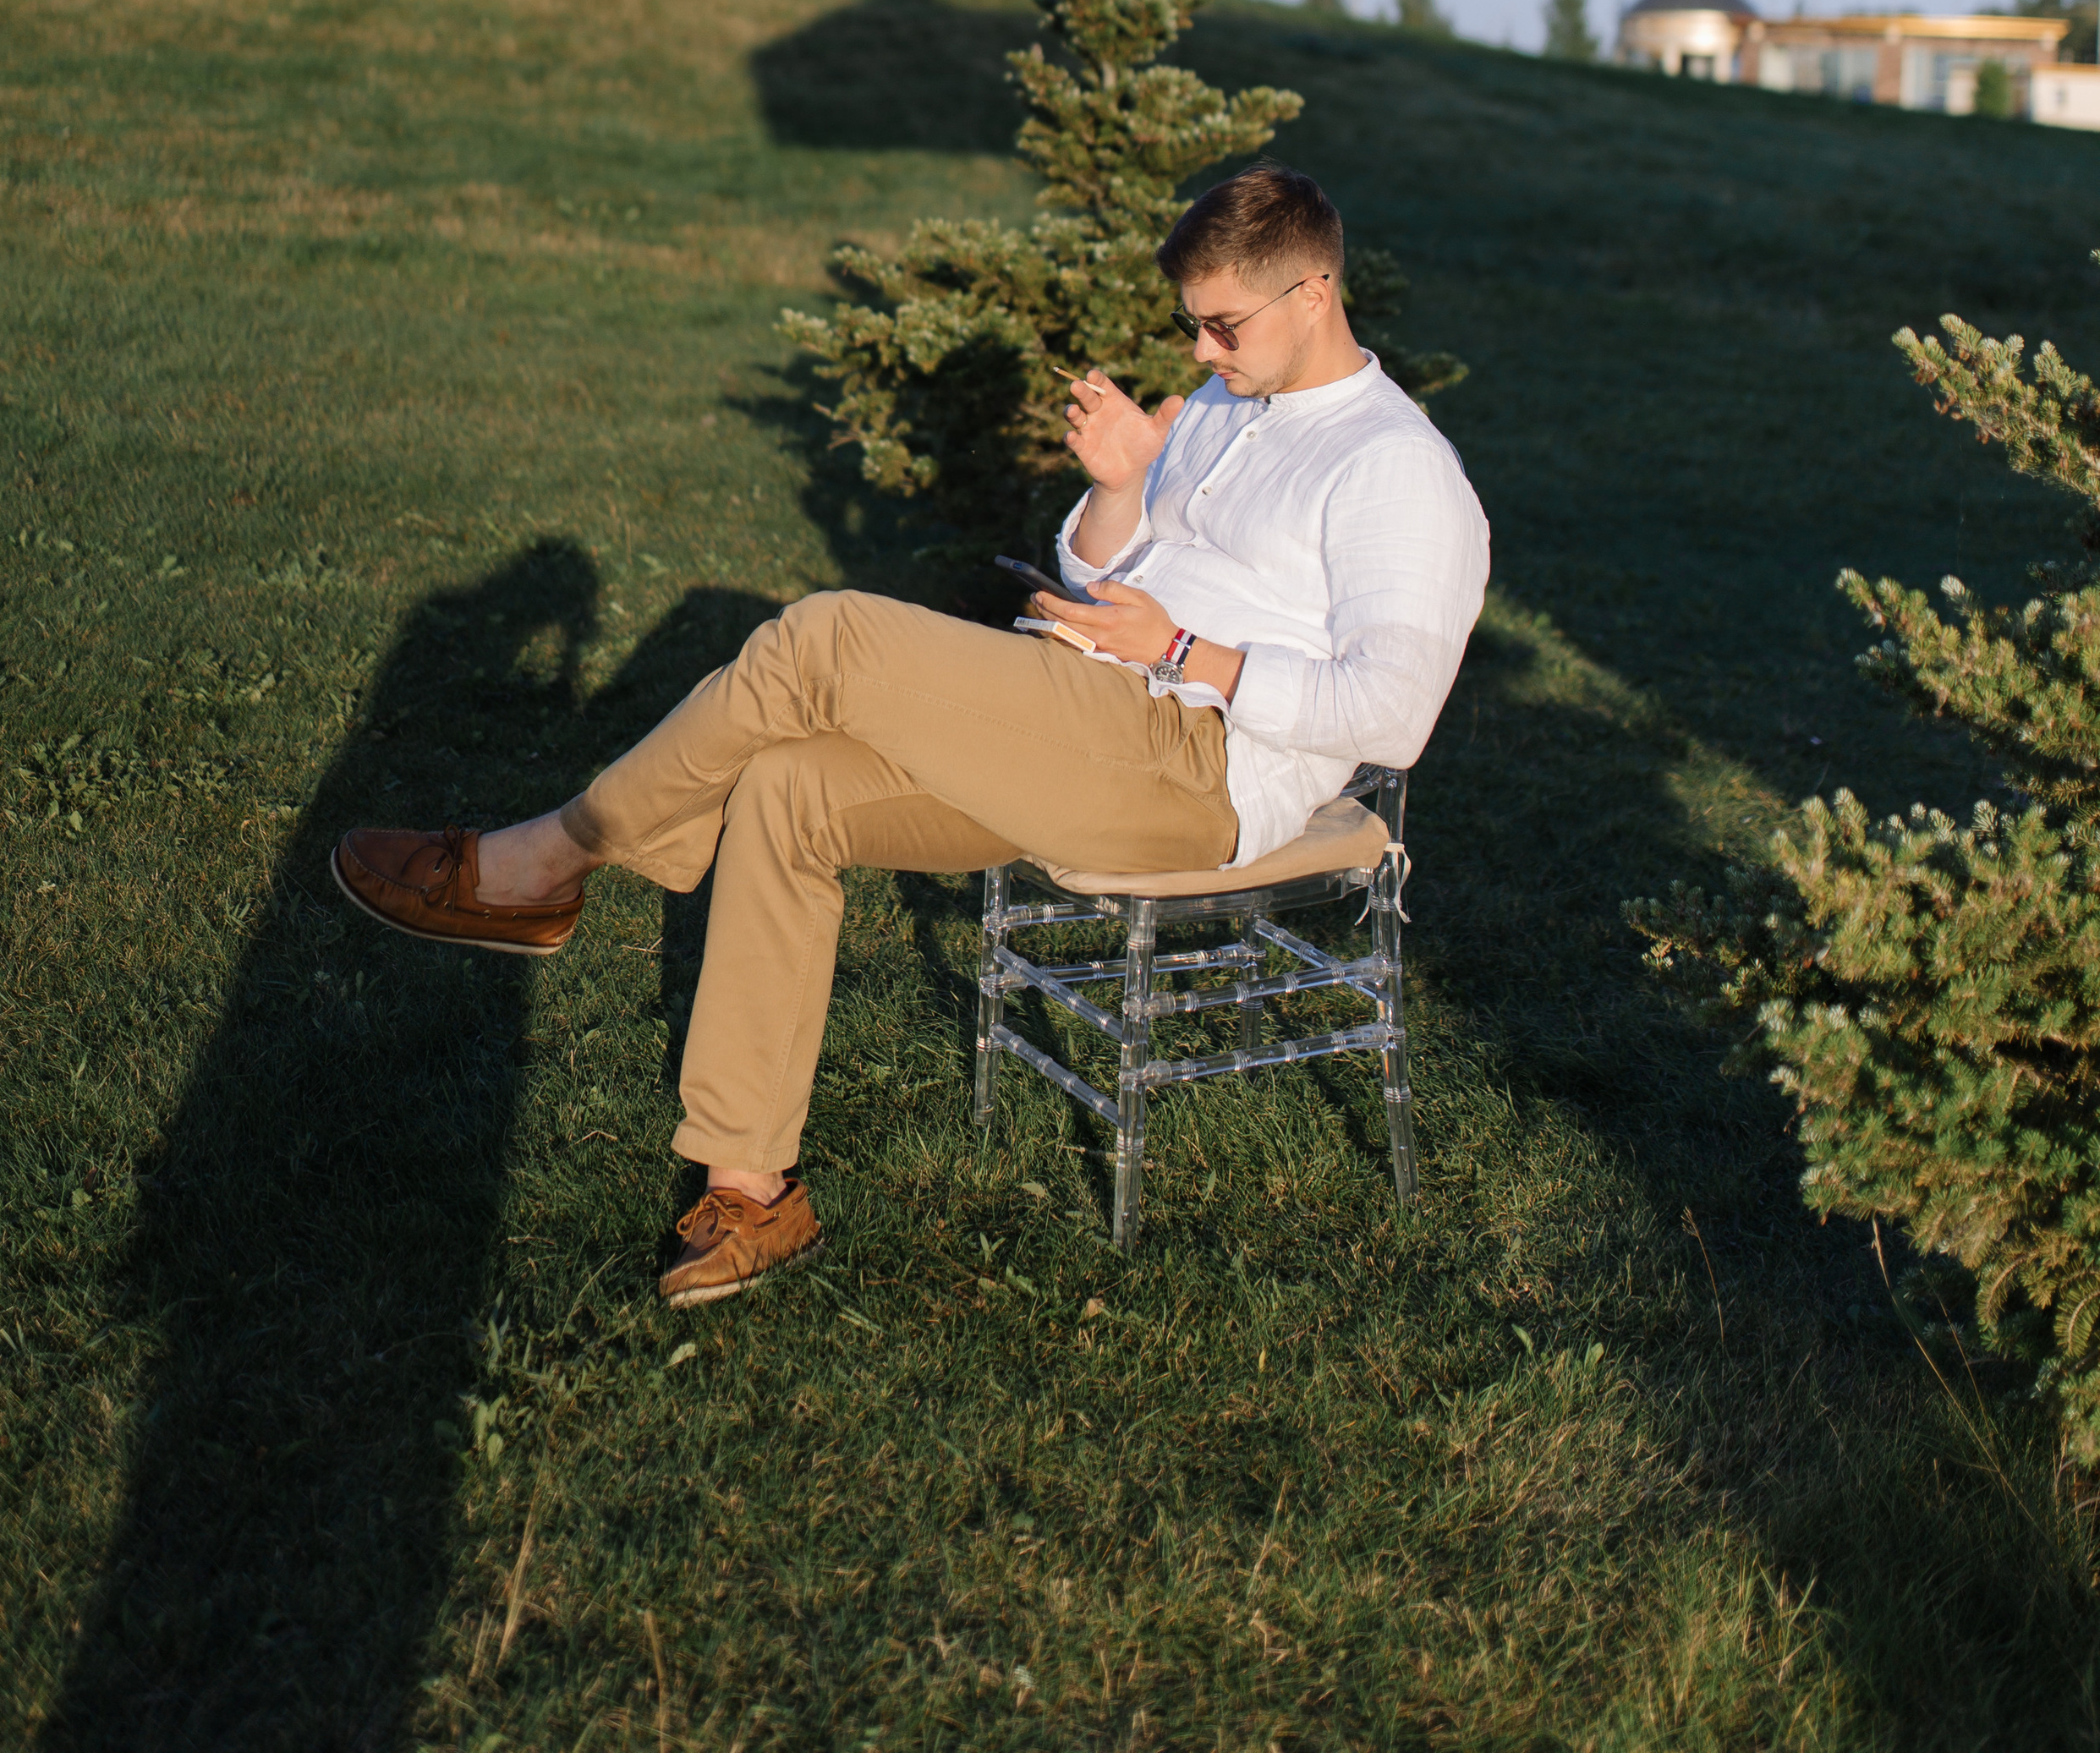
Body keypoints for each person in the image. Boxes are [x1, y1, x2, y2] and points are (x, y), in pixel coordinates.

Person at [332, 166, 1489, 1303]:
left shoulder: (1395, 470)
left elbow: (1391, 713)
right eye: (1191, 325)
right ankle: (752, 1190)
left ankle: (546, 863)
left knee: (823, 638)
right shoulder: (1236, 409)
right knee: (789, 788)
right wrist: (1125, 487)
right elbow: (1110, 575)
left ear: (1314, 294)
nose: (1201, 353)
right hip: (1086, 711)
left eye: (1222, 327)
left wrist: (1186, 653)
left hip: (1200, 773)